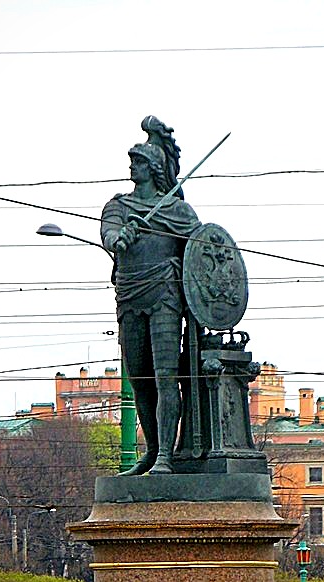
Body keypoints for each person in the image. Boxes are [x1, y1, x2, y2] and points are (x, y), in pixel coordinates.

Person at [100, 119, 201, 476]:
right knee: (139, 379)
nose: (131, 166)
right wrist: (120, 239)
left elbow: (203, 253)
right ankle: (152, 450)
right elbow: (108, 236)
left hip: (164, 297)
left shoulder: (178, 211)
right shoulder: (118, 207)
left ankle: (166, 458)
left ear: (154, 169)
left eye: (138, 161)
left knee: (164, 377)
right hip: (130, 295)